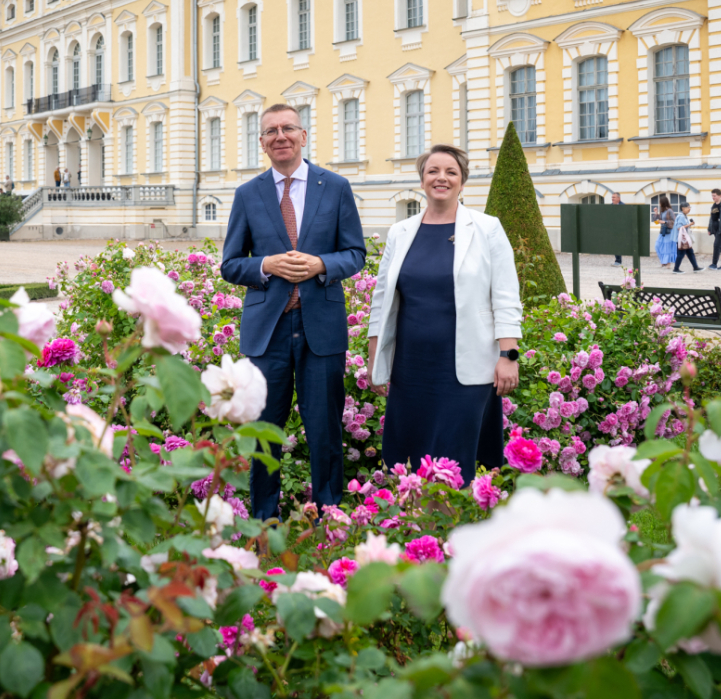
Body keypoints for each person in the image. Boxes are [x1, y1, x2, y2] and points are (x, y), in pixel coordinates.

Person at [221, 103, 366, 521]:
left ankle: (329, 516)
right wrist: (265, 265)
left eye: (288, 128)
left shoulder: (335, 187)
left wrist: (322, 264)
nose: (279, 136)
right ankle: (263, 519)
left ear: (304, 136)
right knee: (264, 431)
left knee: (324, 431)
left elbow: (356, 253)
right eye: (271, 131)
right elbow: (231, 264)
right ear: (262, 143)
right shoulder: (247, 194)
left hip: (320, 327)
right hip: (268, 332)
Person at [367, 144, 521, 487]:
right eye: (433, 171)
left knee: (458, 450)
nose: (441, 178)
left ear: (462, 182)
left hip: (467, 365)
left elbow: (506, 295)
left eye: (451, 172)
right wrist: (375, 356)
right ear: (422, 180)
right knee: (410, 446)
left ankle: (460, 522)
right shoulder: (401, 231)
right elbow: (382, 299)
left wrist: (508, 354)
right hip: (411, 366)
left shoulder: (487, 228)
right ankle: (411, 519)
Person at [672, 202, 702, 273]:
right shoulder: (681, 216)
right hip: (681, 239)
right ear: (683, 208)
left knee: (690, 252)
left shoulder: (684, 216)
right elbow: (679, 228)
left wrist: (689, 224)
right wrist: (689, 224)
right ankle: (676, 269)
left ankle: (695, 267)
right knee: (681, 254)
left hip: (684, 239)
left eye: (690, 207)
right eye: (688, 207)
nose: (689, 209)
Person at [654, 196, 678, 267]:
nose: (659, 204)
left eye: (660, 202)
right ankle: (663, 261)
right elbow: (656, 220)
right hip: (662, 231)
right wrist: (656, 213)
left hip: (668, 231)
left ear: (663, 202)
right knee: (657, 246)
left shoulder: (669, 210)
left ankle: (667, 262)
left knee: (667, 247)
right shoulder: (662, 211)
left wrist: (664, 222)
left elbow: (674, 221)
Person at [610, 192, 624, 266]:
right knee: (615, 244)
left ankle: (618, 261)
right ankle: (617, 260)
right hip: (613, 229)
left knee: (618, 244)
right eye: (612, 197)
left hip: (621, 229)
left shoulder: (623, 206)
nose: (612, 199)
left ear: (619, 198)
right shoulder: (610, 206)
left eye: (614, 197)